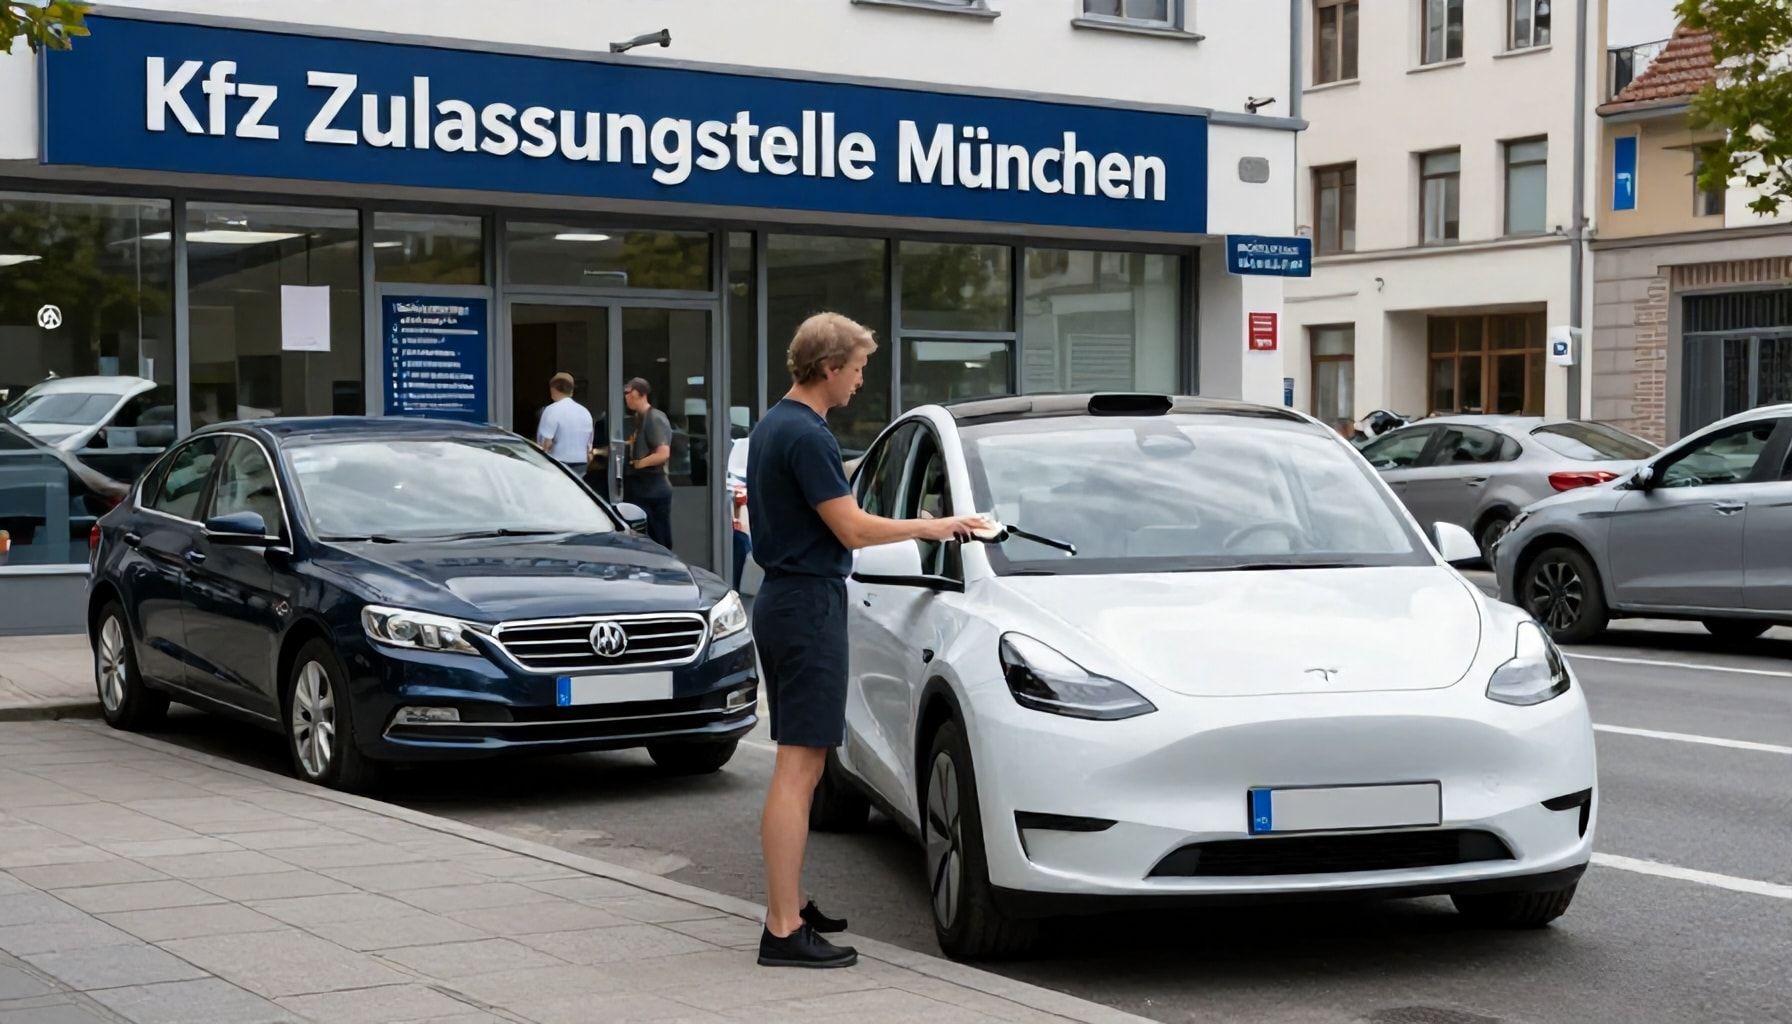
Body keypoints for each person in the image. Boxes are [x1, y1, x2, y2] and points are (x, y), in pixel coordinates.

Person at [747, 312, 989, 970]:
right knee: (798, 770)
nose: (860, 380)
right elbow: (850, 530)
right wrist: (934, 527)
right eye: (857, 368)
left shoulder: (776, 424)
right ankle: (783, 928)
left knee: (803, 765)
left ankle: (790, 904)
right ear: (829, 368)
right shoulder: (808, 435)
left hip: (786, 598)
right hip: (806, 604)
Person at [622, 377, 675, 548]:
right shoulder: (637, 418)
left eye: (628, 392)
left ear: (639, 393)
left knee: (658, 538)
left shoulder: (655, 418)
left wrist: (639, 463)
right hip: (639, 487)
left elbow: (662, 453)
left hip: (653, 487)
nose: (625, 397)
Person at [536, 373, 596, 478]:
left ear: (553, 389)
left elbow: (546, 444)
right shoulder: (585, 412)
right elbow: (589, 447)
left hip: (558, 464)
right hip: (581, 464)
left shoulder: (551, 410)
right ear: (571, 391)